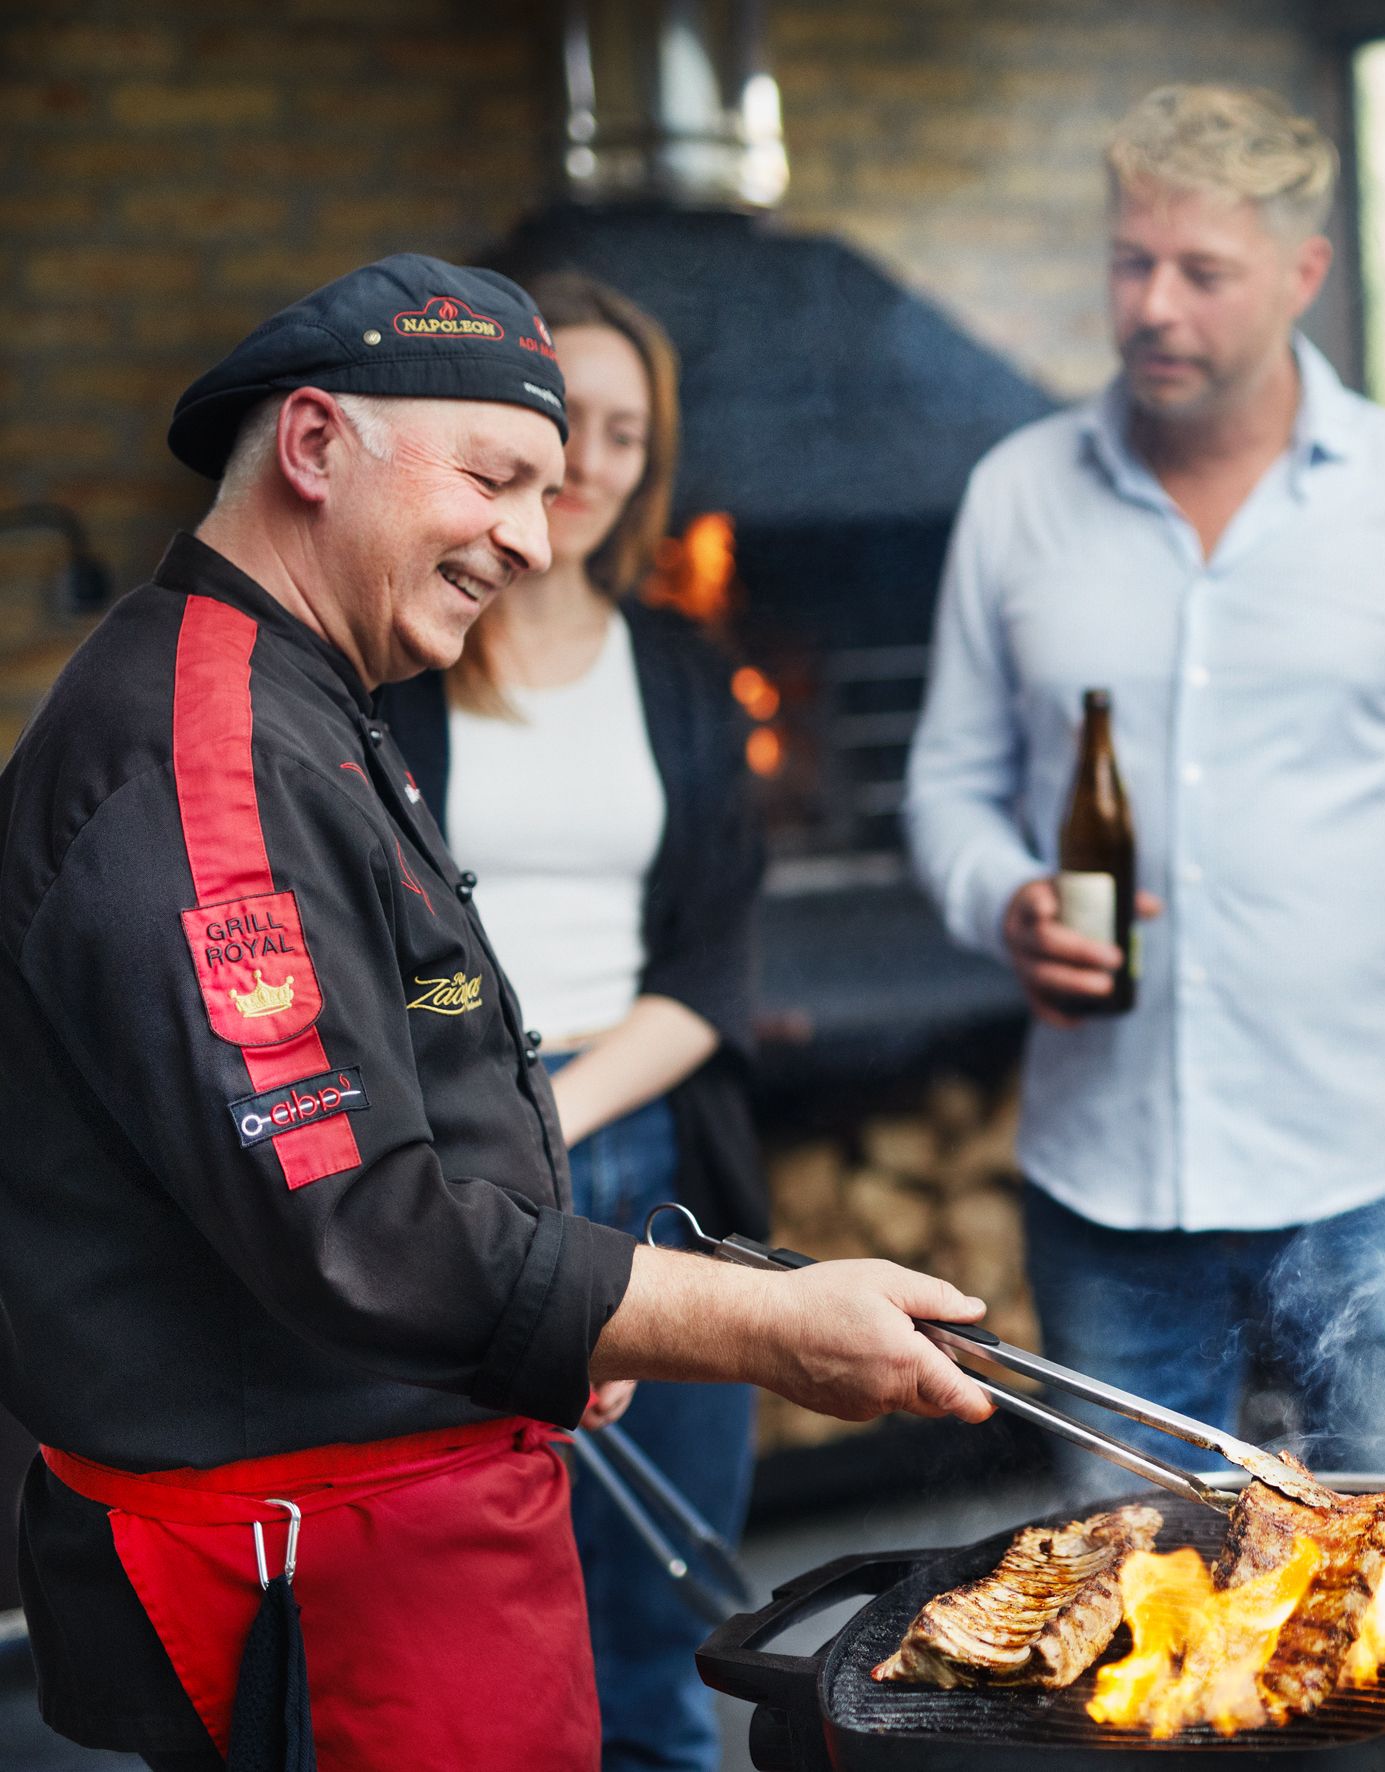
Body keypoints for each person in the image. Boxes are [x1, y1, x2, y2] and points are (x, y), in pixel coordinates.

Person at [0, 254, 991, 1772]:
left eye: (553, 487)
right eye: (496, 477)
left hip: (412, 1490)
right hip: (326, 1559)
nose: (534, 539)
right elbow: (357, 1226)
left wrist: (551, 1317)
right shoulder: (208, 754)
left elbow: (395, 1075)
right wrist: (760, 1326)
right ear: (318, 445)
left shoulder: (310, 689)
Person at [904, 85, 1385, 1479]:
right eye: (1128, 263)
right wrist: (1006, 898)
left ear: (1301, 274)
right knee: (1124, 1622)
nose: (1154, 306)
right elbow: (947, 793)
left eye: (1201, 272)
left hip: (1383, 1172)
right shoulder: (1016, 498)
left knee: (1380, 1618)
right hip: (1106, 1181)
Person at [378, 270, 762, 1772]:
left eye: (622, 432)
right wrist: (501, 1128)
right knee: (461, 1630)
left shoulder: (683, 676)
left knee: (662, 1638)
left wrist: (559, 1110)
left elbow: (711, 977)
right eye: (556, 422)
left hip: (650, 1153)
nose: (588, 463)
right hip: (438, 1165)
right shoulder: (392, 666)